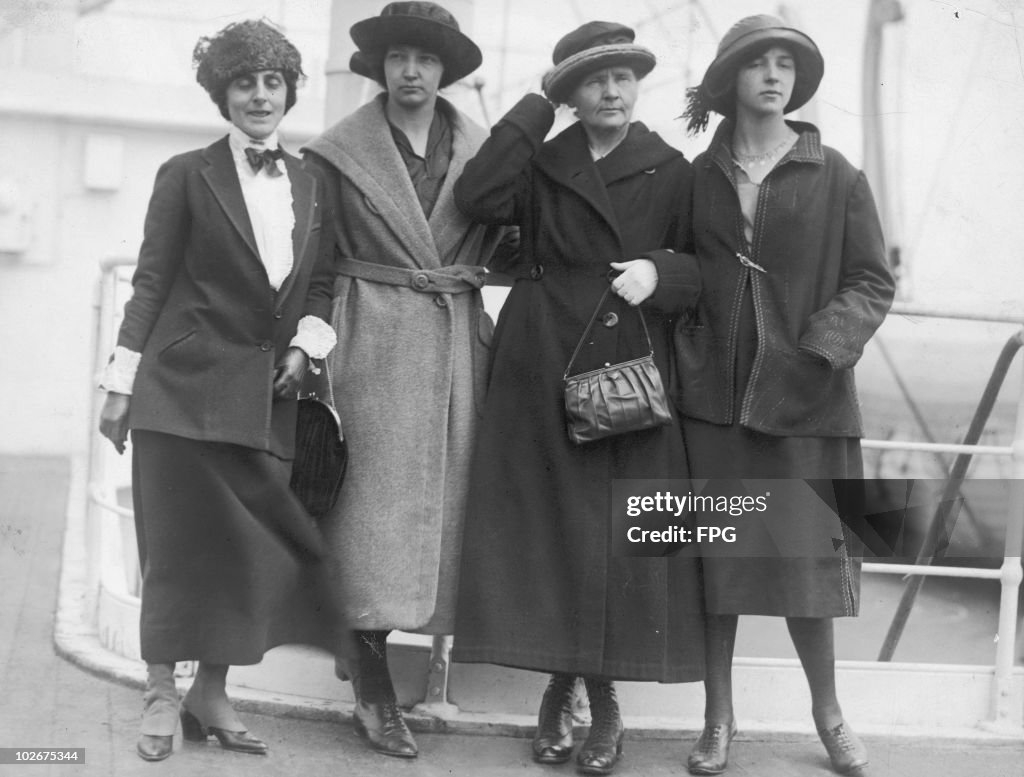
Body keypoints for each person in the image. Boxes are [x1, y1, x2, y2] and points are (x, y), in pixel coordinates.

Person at [452, 22, 704, 776]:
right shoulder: (541, 159)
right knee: (548, 523)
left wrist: (661, 271)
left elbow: (705, 267)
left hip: (623, 361)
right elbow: (478, 194)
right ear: (568, 93)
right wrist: (534, 108)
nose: (613, 91)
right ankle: (559, 685)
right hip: (538, 355)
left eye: (624, 77)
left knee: (610, 529)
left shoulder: (672, 168)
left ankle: (603, 698)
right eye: (594, 80)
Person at [97, 20, 336, 762]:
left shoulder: (312, 182)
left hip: (266, 396)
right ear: (222, 94)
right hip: (180, 391)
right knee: (175, 546)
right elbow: (148, 286)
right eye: (244, 82)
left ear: (289, 92)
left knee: (247, 552)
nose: (260, 96)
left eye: (272, 82)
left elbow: (321, 284)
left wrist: (306, 344)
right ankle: (163, 691)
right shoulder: (185, 174)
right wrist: (119, 385)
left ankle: (212, 690)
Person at [676, 15, 895, 776]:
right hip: (716, 396)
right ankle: (717, 719)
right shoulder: (696, 175)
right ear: (730, 77)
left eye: (786, 64)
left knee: (809, 562)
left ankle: (829, 715)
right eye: (758, 63)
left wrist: (823, 345)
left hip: (808, 395)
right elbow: (677, 270)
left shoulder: (836, 173)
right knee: (716, 561)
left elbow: (872, 280)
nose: (774, 76)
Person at [302, 1, 512, 759]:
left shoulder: (486, 151)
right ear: (379, 67)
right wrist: (315, 344)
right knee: (368, 510)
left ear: (446, 69)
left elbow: (516, 241)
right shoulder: (338, 150)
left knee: (437, 510)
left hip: (454, 338)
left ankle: (384, 660)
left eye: (425, 59)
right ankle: (371, 679)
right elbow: (316, 262)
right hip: (370, 338)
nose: (411, 72)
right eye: (398, 58)